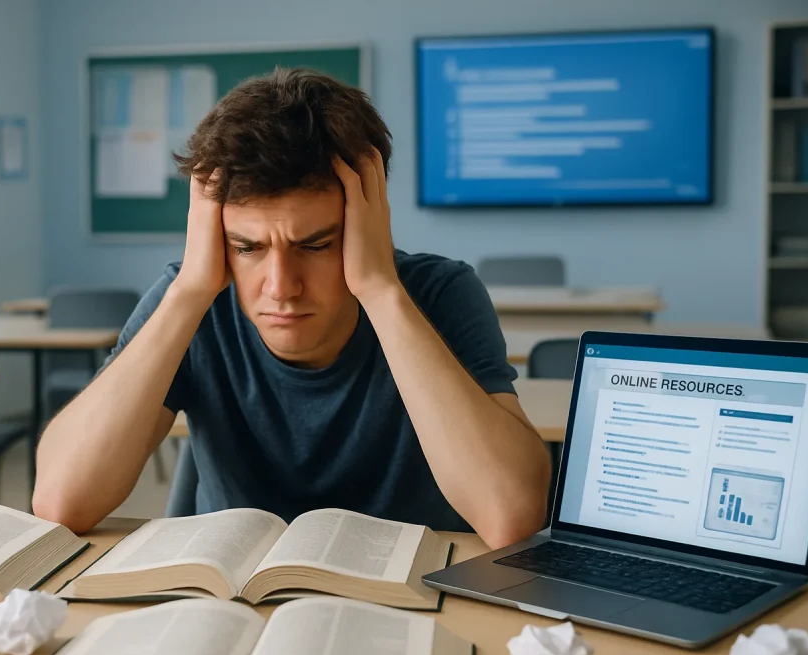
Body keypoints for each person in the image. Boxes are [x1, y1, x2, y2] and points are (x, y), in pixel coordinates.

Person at [33, 68, 551, 548]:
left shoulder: (440, 293)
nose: (281, 287)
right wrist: (190, 290)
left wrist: (380, 289)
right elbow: (61, 503)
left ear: (368, 224)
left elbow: (510, 515)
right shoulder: (191, 297)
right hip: (236, 600)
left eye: (316, 245)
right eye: (247, 247)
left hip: (404, 599)